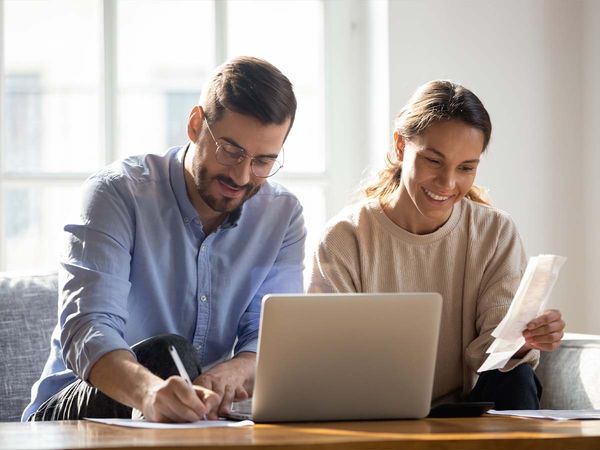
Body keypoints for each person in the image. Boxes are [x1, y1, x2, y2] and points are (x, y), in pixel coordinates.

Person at [23, 56, 306, 422]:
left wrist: (232, 372)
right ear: (194, 125)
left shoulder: (282, 216)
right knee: (168, 353)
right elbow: (88, 329)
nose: (241, 175)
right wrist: (151, 393)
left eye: (263, 161)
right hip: (74, 411)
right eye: (231, 151)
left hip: (192, 417)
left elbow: (269, 339)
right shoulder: (117, 193)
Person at [308, 80, 565, 410]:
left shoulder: (495, 232)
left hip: (469, 410)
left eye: (466, 168)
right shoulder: (345, 238)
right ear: (401, 146)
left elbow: (496, 351)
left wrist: (524, 339)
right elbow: (329, 358)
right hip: (372, 408)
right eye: (433, 161)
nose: (448, 183)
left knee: (517, 378)